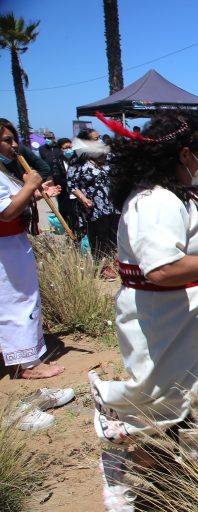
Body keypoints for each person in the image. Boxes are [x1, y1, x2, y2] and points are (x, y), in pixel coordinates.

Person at [89, 112, 198, 506]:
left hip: (196, 319)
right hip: (160, 320)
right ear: (183, 154)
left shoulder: (189, 193)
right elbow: (160, 270)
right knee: (165, 405)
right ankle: (122, 469)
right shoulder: (153, 202)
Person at [0, 118, 64, 380]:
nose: (14, 145)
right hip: (6, 249)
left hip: (13, 245)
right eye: (6, 140)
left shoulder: (5, 171)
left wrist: (35, 194)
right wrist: (29, 185)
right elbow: (6, 213)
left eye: (14, 139)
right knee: (16, 301)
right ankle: (26, 364)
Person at [68, 135, 120, 280]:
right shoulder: (79, 160)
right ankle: (103, 266)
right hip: (93, 206)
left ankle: (116, 261)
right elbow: (72, 184)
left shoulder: (109, 158)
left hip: (113, 205)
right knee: (98, 236)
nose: (98, 141)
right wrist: (83, 198)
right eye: (95, 139)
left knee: (114, 234)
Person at [49, 137, 80, 237]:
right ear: (60, 149)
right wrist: (71, 182)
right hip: (66, 196)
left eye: (70, 147)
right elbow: (57, 179)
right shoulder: (57, 162)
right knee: (69, 220)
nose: (68, 150)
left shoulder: (78, 160)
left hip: (78, 196)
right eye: (65, 148)